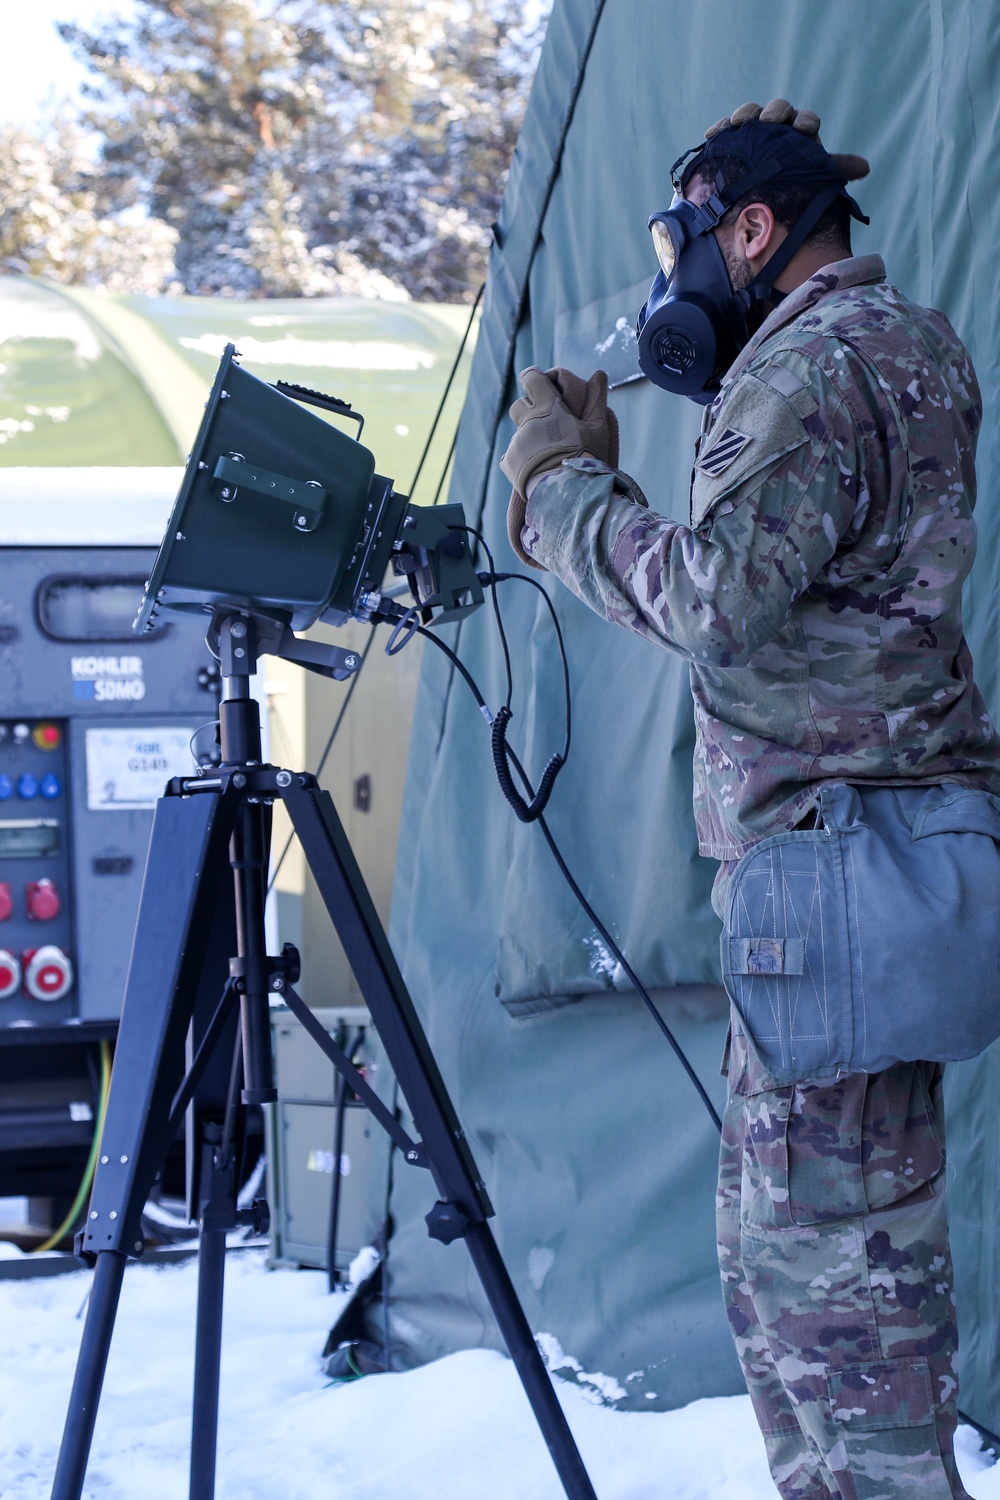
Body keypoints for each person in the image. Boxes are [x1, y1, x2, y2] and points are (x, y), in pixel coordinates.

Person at [499, 98, 1000, 1500]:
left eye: (692, 245)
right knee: (797, 1288)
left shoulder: (815, 363)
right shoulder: (902, 342)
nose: (678, 284)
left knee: (843, 1315)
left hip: (833, 879)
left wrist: (558, 492)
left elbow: (715, 600)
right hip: (861, 875)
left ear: (756, 230)